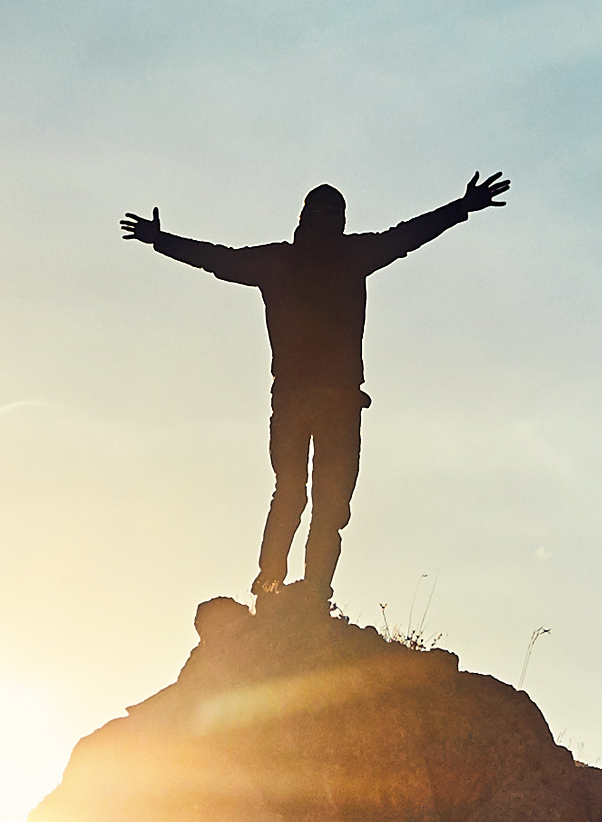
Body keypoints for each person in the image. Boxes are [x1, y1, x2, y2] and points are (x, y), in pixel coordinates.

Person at [119, 173, 509, 610]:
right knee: (325, 501)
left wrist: (161, 240)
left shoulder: (282, 262)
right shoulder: (350, 255)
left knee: (296, 491)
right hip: (334, 401)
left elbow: (218, 260)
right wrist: (462, 207)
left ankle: (278, 584)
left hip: (299, 399)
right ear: (336, 221)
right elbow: (408, 236)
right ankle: (309, 592)